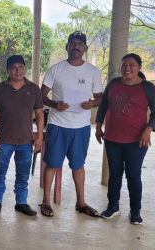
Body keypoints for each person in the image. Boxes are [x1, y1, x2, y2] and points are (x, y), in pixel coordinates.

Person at [40, 31, 103, 217]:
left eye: (79, 43)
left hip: (81, 127)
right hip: (58, 125)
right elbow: (42, 95)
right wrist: (54, 104)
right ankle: (46, 200)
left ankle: (80, 202)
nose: (75, 46)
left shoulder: (92, 71)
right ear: (67, 47)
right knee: (52, 164)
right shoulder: (56, 69)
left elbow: (100, 98)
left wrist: (92, 104)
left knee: (78, 165)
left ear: (85, 48)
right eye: (72, 43)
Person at [96, 53, 155, 225]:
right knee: (114, 174)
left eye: (132, 65)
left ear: (139, 67)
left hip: (137, 141)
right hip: (112, 138)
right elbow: (104, 105)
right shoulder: (113, 83)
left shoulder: (148, 88)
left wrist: (149, 129)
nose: (127, 68)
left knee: (133, 175)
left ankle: (135, 211)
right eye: (124, 64)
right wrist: (99, 126)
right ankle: (113, 207)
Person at [0, 55, 44, 217]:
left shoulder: (33, 88)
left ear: (25, 68)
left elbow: (40, 114)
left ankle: (21, 203)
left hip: (25, 141)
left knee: (23, 174)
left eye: (21, 67)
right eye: (14, 68)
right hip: (3, 140)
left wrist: (39, 137)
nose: (18, 70)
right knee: (0, 172)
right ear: (8, 71)